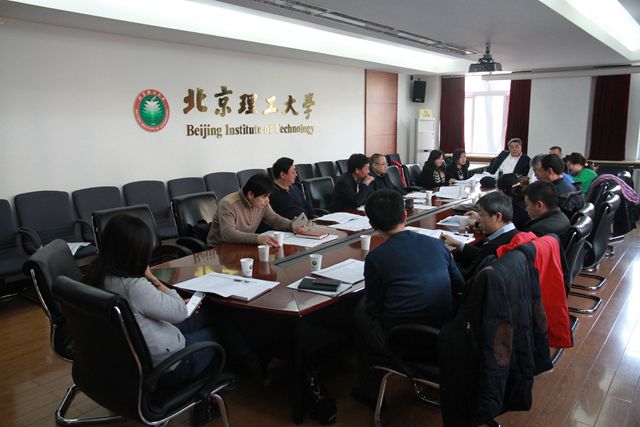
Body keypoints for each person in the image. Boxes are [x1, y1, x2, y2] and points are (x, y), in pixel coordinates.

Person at [85, 214, 225, 424]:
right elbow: (180, 311)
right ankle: (204, 404)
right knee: (216, 334)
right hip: (168, 366)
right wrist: (151, 277)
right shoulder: (134, 287)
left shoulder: (96, 276)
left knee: (207, 316)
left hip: (125, 361)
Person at [352, 190, 464, 408]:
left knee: (359, 312)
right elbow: (460, 286)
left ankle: (369, 390)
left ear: (372, 224)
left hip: (406, 339)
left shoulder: (376, 258)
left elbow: (374, 307)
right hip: (447, 328)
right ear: (405, 215)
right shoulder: (436, 244)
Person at [207, 173, 302, 247]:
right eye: (264, 197)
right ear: (250, 195)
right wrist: (257, 238)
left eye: (268, 196)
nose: (267, 200)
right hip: (220, 249)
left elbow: (274, 219)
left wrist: (292, 225)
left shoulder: (261, 202)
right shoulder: (228, 204)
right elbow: (228, 234)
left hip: (243, 245)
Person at [441, 191, 518, 280]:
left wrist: (448, 258)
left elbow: (464, 278)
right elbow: (481, 255)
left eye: (481, 215)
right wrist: (459, 244)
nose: (478, 220)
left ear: (497, 217)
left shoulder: (494, 247)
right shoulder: (515, 235)